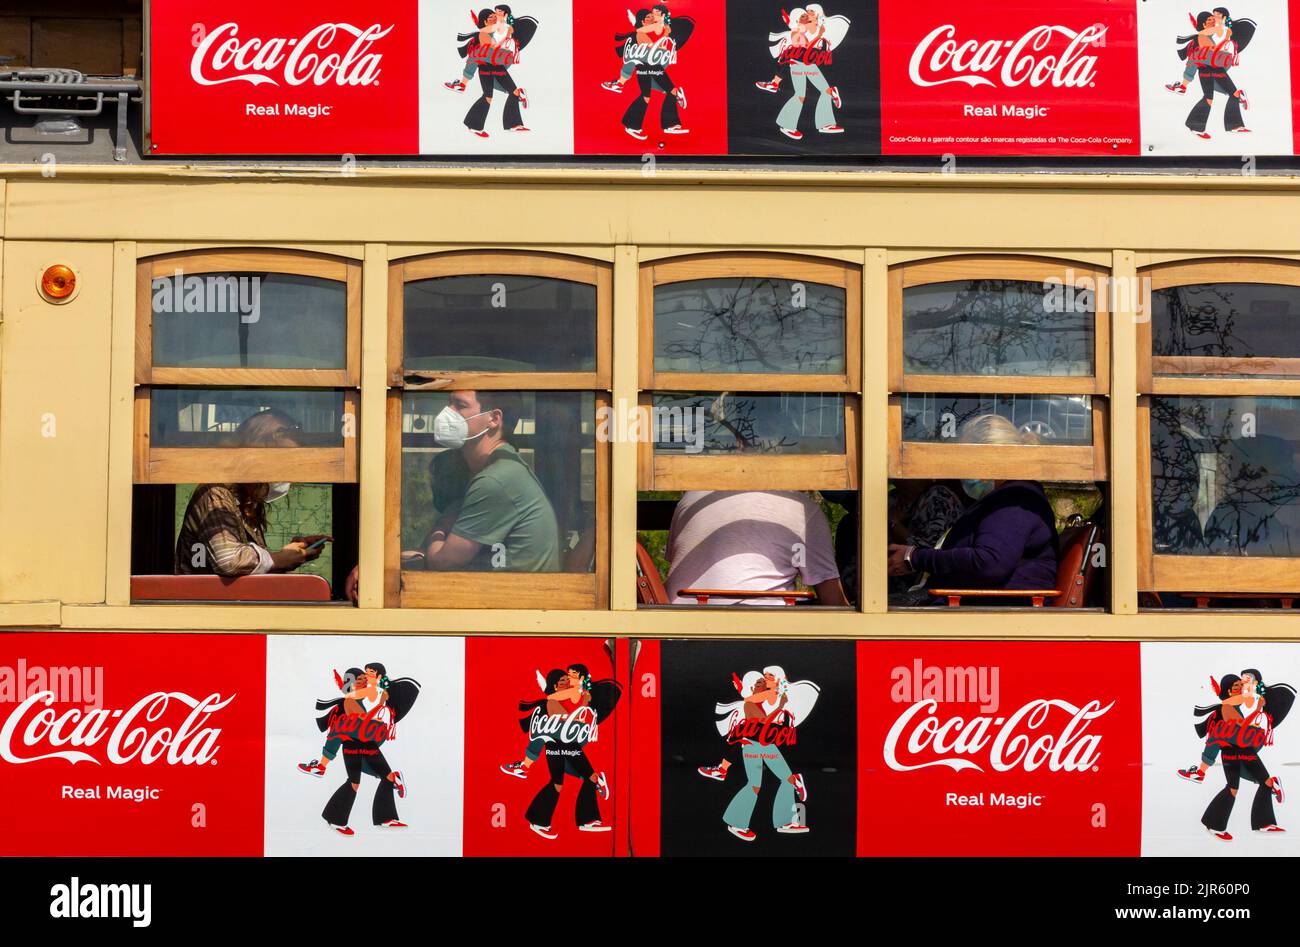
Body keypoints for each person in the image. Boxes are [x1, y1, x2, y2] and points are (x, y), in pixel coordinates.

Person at [343, 390, 560, 602]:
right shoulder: (492, 471)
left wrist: (441, 527)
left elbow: (441, 561)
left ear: (494, 418)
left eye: (460, 405)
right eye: (449, 403)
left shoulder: (496, 480)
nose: (447, 412)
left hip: (514, 608)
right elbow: (429, 554)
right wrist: (377, 567)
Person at [887, 415, 1059, 603]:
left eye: (966, 459)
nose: (961, 469)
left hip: (994, 614)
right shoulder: (1000, 498)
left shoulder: (1016, 501)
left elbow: (989, 563)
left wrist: (916, 558)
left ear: (992, 458)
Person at [174, 408, 327, 577]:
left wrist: (291, 556)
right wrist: (278, 559)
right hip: (204, 601)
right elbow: (229, 561)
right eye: (284, 463)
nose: (288, 473)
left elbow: (250, 571)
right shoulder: (216, 493)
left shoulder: (245, 500)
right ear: (258, 457)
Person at [665, 491, 849, 606]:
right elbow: (832, 598)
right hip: (761, 631)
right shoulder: (802, 508)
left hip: (677, 626)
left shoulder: (691, 499)